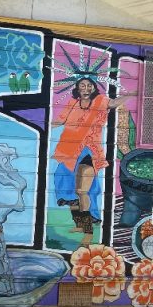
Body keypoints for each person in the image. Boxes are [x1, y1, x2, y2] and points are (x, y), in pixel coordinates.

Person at [51, 77, 130, 245]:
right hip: (68, 150)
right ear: (78, 89)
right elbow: (60, 120)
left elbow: (114, 103)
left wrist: (131, 93)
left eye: (89, 85)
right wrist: (44, 123)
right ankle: (79, 224)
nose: (86, 88)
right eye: (82, 85)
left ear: (93, 88)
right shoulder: (73, 103)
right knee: (67, 187)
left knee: (81, 190)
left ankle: (88, 232)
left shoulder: (100, 101)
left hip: (89, 151)